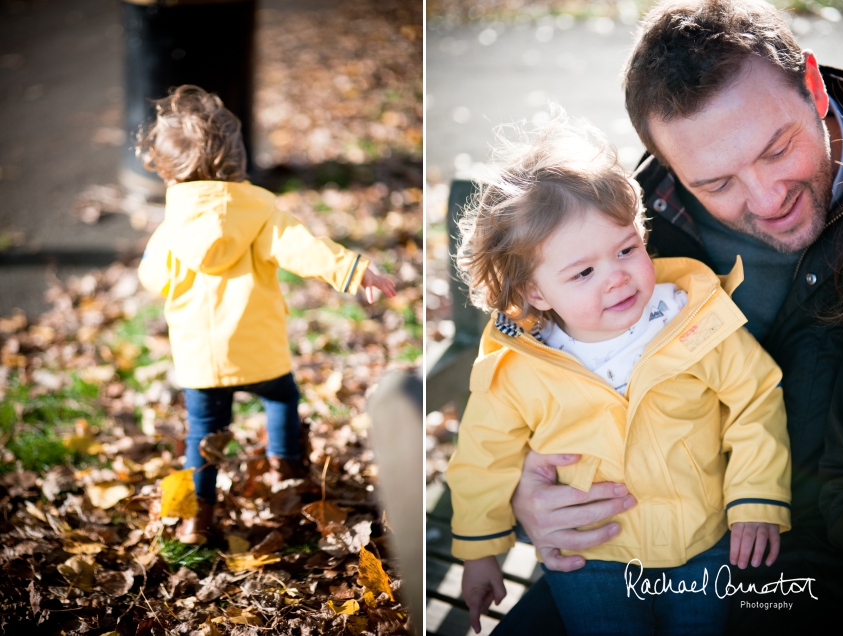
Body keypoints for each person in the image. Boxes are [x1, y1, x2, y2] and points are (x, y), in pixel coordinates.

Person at [494, 1, 843, 633]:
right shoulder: (635, 231)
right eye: (717, 183)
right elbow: (548, 366)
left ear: (815, 87)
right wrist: (525, 489)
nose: (767, 201)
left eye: (777, 149)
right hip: (649, 535)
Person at [447, 113, 792, 635]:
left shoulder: (695, 322)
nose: (616, 278)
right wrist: (481, 551)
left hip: (701, 544)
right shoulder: (519, 366)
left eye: (627, 250)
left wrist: (756, 496)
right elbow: (482, 457)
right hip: (590, 556)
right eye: (584, 272)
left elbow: (756, 398)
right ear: (536, 292)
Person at [136, 86, 396, 544]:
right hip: (260, 348)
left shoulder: (172, 227)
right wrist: (355, 270)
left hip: (202, 359)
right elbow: (306, 250)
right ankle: (288, 475)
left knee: (204, 434)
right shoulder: (260, 212)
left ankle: (199, 519)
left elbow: (153, 278)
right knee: (281, 400)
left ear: (170, 174)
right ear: (236, 160)